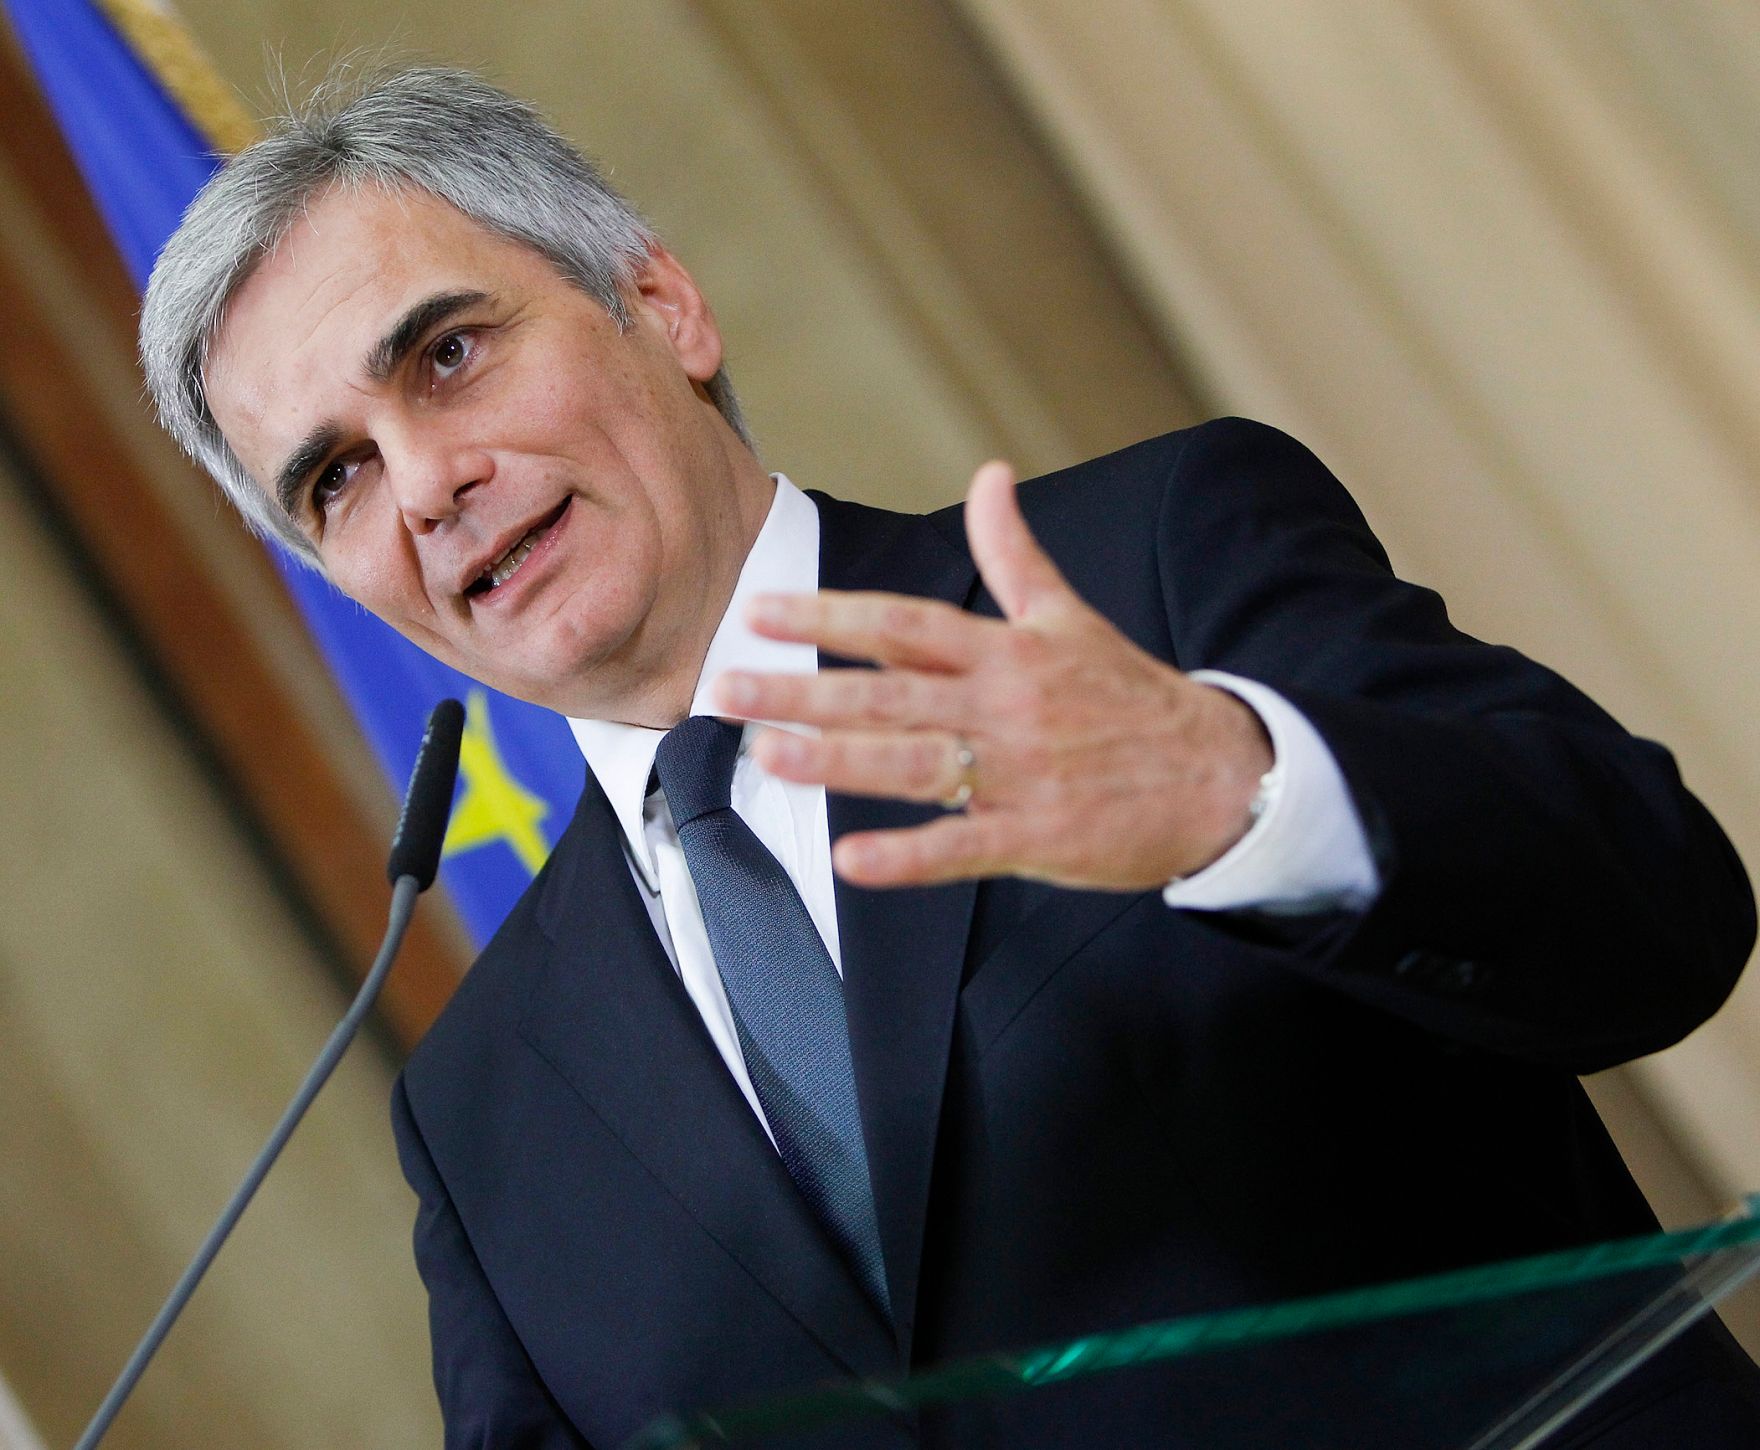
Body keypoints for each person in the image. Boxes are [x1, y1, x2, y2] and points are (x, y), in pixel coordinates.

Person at [139, 67, 1760, 1449]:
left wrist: (1241, 792)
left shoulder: (1151, 564)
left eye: (446, 356)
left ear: (661, 301)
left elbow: (1662, 912)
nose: (424, 483)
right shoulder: (485, 1116)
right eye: (336, 479)